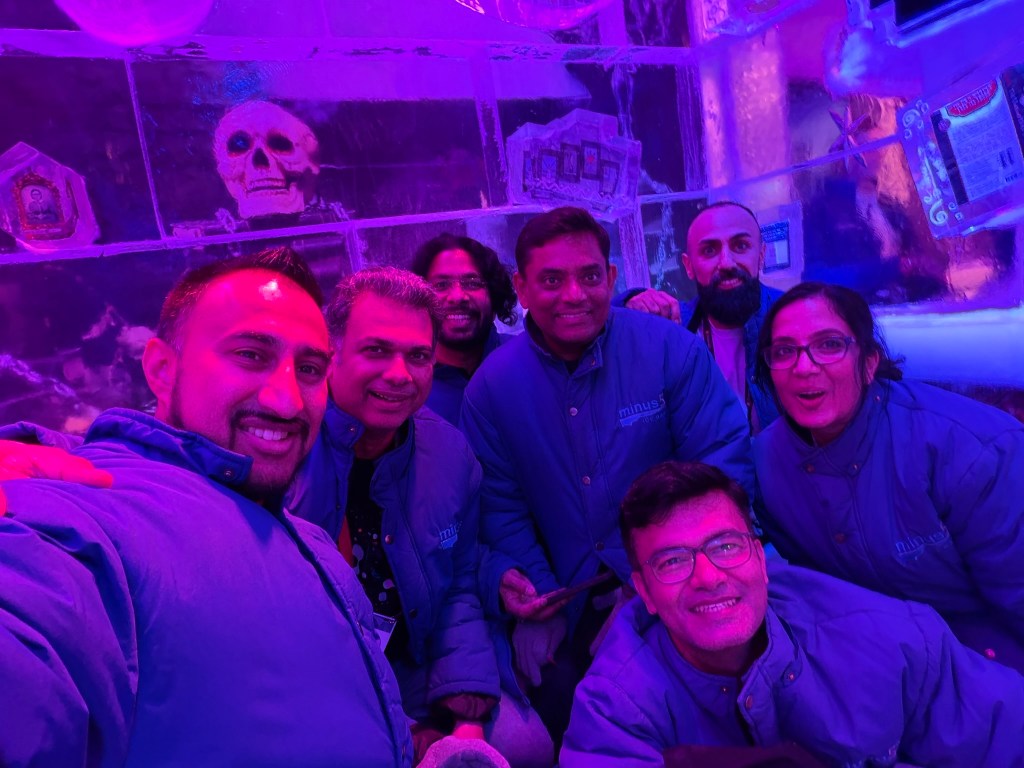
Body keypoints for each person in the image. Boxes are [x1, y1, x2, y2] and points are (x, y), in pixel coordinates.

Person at [0, 249, 412, 766]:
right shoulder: (84, 517)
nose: (287, 400)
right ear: (162, 369)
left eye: (309, 369)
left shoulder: (304, 536)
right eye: (251, 355)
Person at [461, 206, 753, 741]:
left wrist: (653, 584)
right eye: (552, 280)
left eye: (590, 276)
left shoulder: (670, 350)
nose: (574, 294)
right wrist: (544, 602)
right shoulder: (491, 388)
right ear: (521, 288)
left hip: (682, 583)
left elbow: (719, 467)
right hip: (570, 602)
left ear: (612, 277)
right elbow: (502, 510)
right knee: (561, 702)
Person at [561, 460, 1024, 767]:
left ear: (761, 561)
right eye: (673, 561)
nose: (707, 577)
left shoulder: (885, 637)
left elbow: (1005, 732)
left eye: (726, 546)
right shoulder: (615, 710)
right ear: (643, 590)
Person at [284, 266, 548, 766]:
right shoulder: (284, 448)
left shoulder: (448, 453)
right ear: (331, 352)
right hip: (318, 684)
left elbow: (458, 581)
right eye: (376, 350)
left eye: (419, 356)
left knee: (524, 746)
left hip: (418, 668)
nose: (400, 374)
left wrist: (466, 715)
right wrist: (404, 729)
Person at [752, 281, 1024, 671]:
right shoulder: (766, 465)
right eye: (784, 351)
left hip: (982, 659)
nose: (804, 366)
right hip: (868, 660)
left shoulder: (971, 451)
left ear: (869, 363)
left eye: (829, 345)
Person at [618, 202, 782, 433]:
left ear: (761, 255)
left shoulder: (792, 318)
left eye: (741, 246)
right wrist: (627, 303)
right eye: (709, 251)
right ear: (689, 266)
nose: (726, 263)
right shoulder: (673, 326)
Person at [409, 234, 518, 425]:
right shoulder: (405, 382)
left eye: (472, 283)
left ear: (494, 294)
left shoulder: (526, 359)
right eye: (441, 285)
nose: (457, 297)